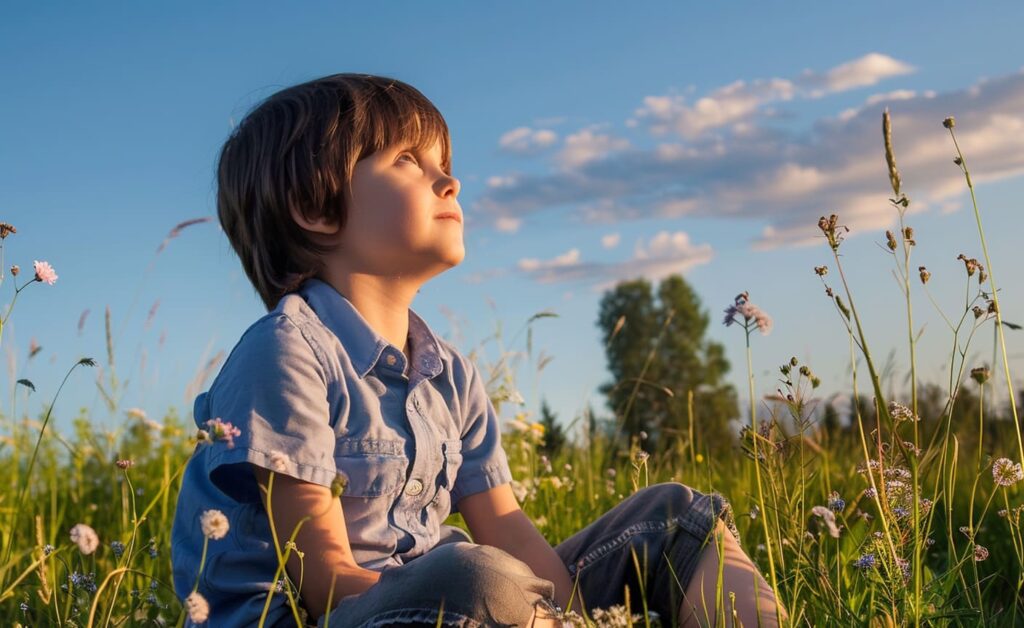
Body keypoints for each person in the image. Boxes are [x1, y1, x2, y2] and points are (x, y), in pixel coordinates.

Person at [170, 73, 786, 627]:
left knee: (674, 515)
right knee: (472, 575)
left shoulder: (448, 376)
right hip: (334, 614)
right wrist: (492, 591)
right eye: (408, 160)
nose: (450, 180)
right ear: (315, 207)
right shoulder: (285, 353)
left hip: (452, 598)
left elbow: (509, 527)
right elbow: (326, 581)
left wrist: (573, 618)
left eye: (444, 161)